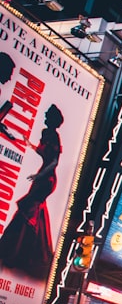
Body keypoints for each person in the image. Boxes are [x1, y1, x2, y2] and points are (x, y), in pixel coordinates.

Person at [0, 103, 64, 279]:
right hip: (42, 177)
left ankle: (19, 253)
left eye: (47, 116)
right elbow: (45, 154)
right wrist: (30, 145)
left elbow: (54, 162)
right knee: (33, 212)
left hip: (47, 179)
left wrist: (39, 176)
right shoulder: (46, 133)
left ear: (53, 120)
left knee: (29, 210)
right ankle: (29, 252)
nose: (44, 118)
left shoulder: (53, 135)